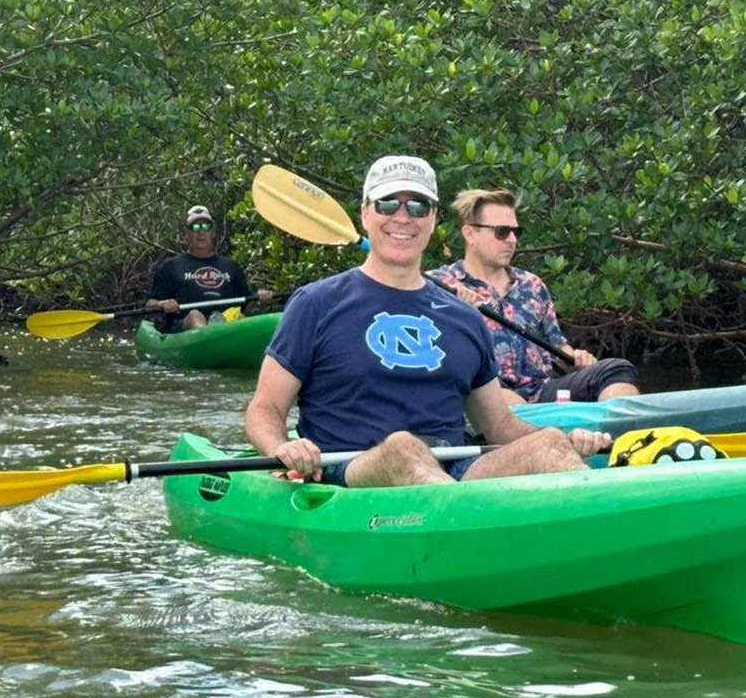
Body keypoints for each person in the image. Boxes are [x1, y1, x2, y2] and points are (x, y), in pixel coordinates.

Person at [244, 155, 611, 487]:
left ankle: (605, 531)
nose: (403, 217)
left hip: (455, 469)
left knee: (546, 446)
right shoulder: (316, 303)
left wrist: (565, 436)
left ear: (433, 219)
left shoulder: (465, 318)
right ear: (365, 214)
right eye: (388, 203)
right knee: (403, 448)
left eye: (418, 207)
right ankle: (461, 536)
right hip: (353, 470)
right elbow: (265, 409)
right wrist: (282, 447)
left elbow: (499, 426)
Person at [431, 188, 640, 406]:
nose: (511, 240)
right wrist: (459, 312)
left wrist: (577, 358)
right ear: (470, 234)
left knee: (616, 370)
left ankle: (617, 435)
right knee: (502, 398)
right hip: (485, 392)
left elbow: (557, 344)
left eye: (515, 232)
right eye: (502, 232)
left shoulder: (532, 284)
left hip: (541, 390)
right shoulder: (440, 285)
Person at [144, 205, 273, 331]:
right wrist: (161, 304)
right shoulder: (170, 266)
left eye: (206, 227)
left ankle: (221, 334)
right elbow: (149, 305)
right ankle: (208, 335)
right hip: (185, 326)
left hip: (226, 323)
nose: (201, 232)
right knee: (195, 315)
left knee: (240, 317)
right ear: (187, 233)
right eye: (195, 227)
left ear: (213, 233)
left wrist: (261, 299)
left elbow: (247, 303)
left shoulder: (231, 267)